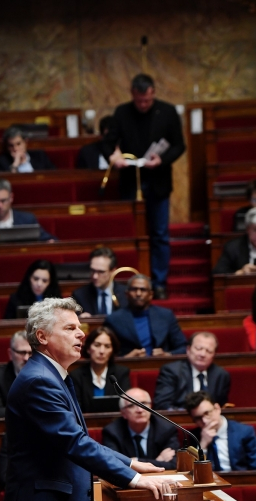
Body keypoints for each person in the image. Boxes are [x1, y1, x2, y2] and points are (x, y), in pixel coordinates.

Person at [1, 297, 166, 501]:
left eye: (80, 328)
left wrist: (130, 463)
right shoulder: (39, 381)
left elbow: (77, 438)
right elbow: (74, 442)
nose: (81, 334)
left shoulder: (54, 376)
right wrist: (135, 479)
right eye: (70, 328)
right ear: (42, 336)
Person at [102, 73, 186, 299]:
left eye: (147, 100)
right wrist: (115, 157)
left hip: (158, 179)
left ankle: (159, 283)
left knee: (159, 234)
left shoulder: (167, 112)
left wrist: (163, 160)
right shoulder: (121, 112)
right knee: (132, 234)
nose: (143, 105)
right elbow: (108, 144)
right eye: (139, 101)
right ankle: (132, 282)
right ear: (132, 95)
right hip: (131, 181)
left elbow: (179, 145)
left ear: (153, 93)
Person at [104, 274, 187, 357]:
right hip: (127, 368)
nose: (138, 293)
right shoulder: (114, 319)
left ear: (151, 295)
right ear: (127, 294)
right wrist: (126, 358)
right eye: (134, 289)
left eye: (143, 290)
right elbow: (105, 352)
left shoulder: (166, 315)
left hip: (162, 367)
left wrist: (167, 354)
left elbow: (183, 347)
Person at [185, 391, 256, 471]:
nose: (205, 421)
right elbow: (191, 473)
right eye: (198, 418)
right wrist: (203, 445)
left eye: (207, 413)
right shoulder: (193, 436)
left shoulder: (244, 432)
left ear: (217, 408)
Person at [102, 387, 178, 470]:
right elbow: (112, 464)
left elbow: (174, 464)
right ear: (123, 413)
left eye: (143, 403)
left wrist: (135, 461)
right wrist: (157, 461)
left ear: (150, 406)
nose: (140, 410)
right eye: (131, 405)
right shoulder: (112, 432)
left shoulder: (166, 429)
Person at [154, 332, 231, 410]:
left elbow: (221, 406)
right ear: (188, 350)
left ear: (214, 354)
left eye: (209, 351)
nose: (203, 354)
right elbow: (162, 405)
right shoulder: (171, 371)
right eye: (198, 349)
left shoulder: (221, 375)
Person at [0, 178, 56, 246]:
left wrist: (50, 242)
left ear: (11, 198)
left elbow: (49, 239)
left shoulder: (27, 220)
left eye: (3, 201)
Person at [70, 326, 131, 412]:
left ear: (112, 350)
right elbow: (76, 409)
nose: (102, 351)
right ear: (88, 348)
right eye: (97, 345)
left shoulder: (121, 373)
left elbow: (126, 405)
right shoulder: (76, 376)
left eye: (107, 346)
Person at [0, 331, 32, 419]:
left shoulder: (48, 375)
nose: (26, 358)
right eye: (21, 353)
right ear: (10, 354)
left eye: (31, 353)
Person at [72, 246, 127, 317]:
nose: (95, 276)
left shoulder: (125, 294)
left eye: (101, 272)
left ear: (113, 271)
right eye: (93, 270)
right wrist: (81, 320)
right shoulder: (79, 295)